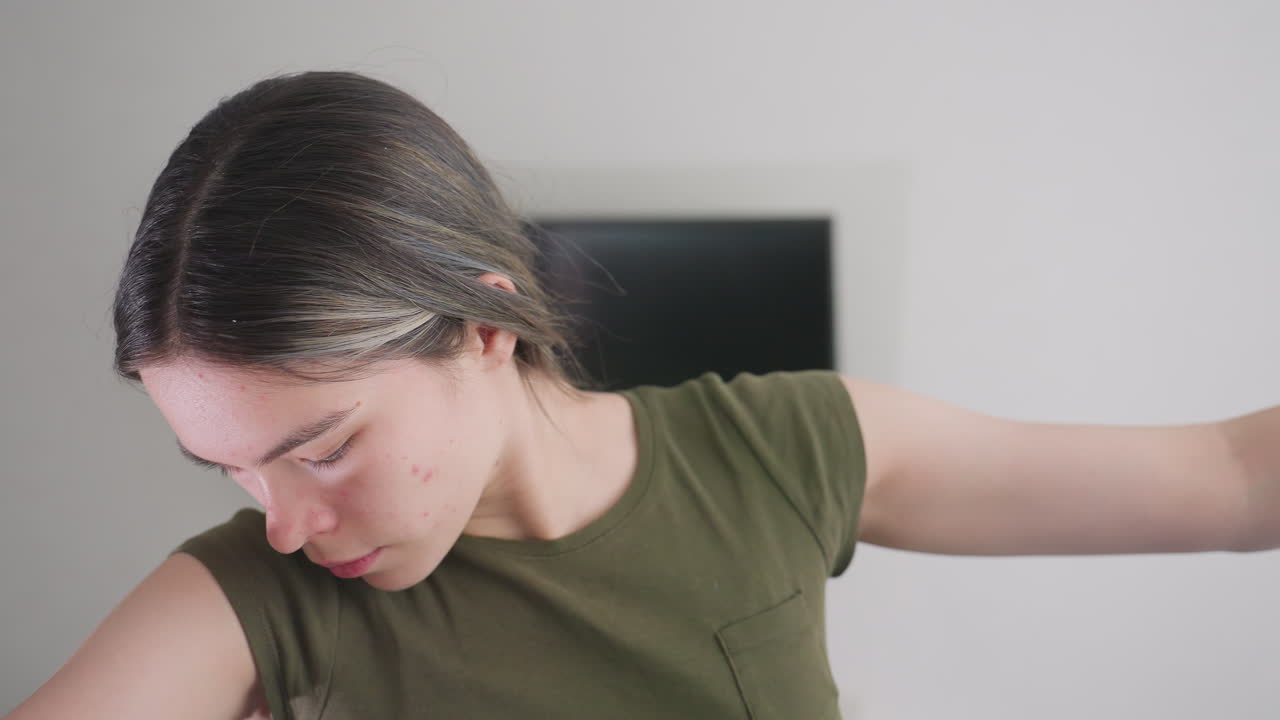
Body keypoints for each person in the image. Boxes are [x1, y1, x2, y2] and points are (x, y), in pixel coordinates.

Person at [8, 70, 1277, 720]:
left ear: (483, 325)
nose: (283, 523)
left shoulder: (779, 450)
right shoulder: (252, 596)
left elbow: (1228, 478)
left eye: (322, 447)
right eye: (231, 469)